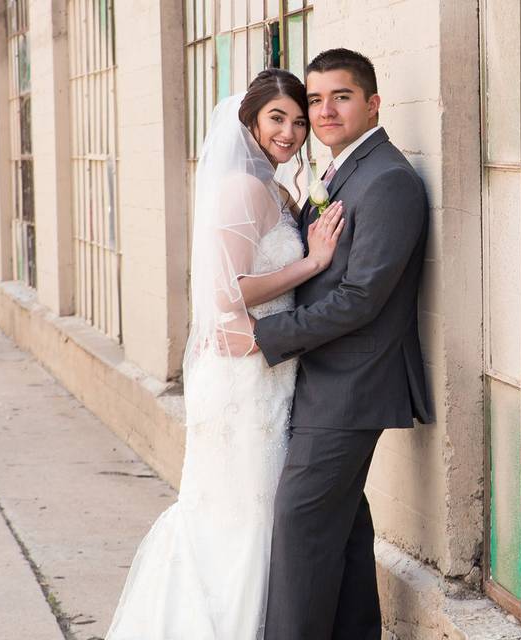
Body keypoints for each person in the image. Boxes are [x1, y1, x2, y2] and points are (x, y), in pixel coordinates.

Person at [104, 68, 346, 640]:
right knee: (244, 515)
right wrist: (310, 264)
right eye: (277, 119)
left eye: (298, 120)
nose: (290, 132)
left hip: (264, 370)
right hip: (241, 374)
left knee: (254, 513)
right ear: (251, 123)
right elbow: (225, 292)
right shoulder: (240, 188)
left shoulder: (273, 188)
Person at [250, 49, 434, 640]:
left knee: (300, 527)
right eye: (315, 99)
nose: (324, 111)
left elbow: (361, 297)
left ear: (374, 103)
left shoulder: (387, 180)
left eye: (342, 97)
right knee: (344, 529)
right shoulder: (338, 172)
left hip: (352, 386)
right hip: (325, 380)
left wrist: (268, 335)